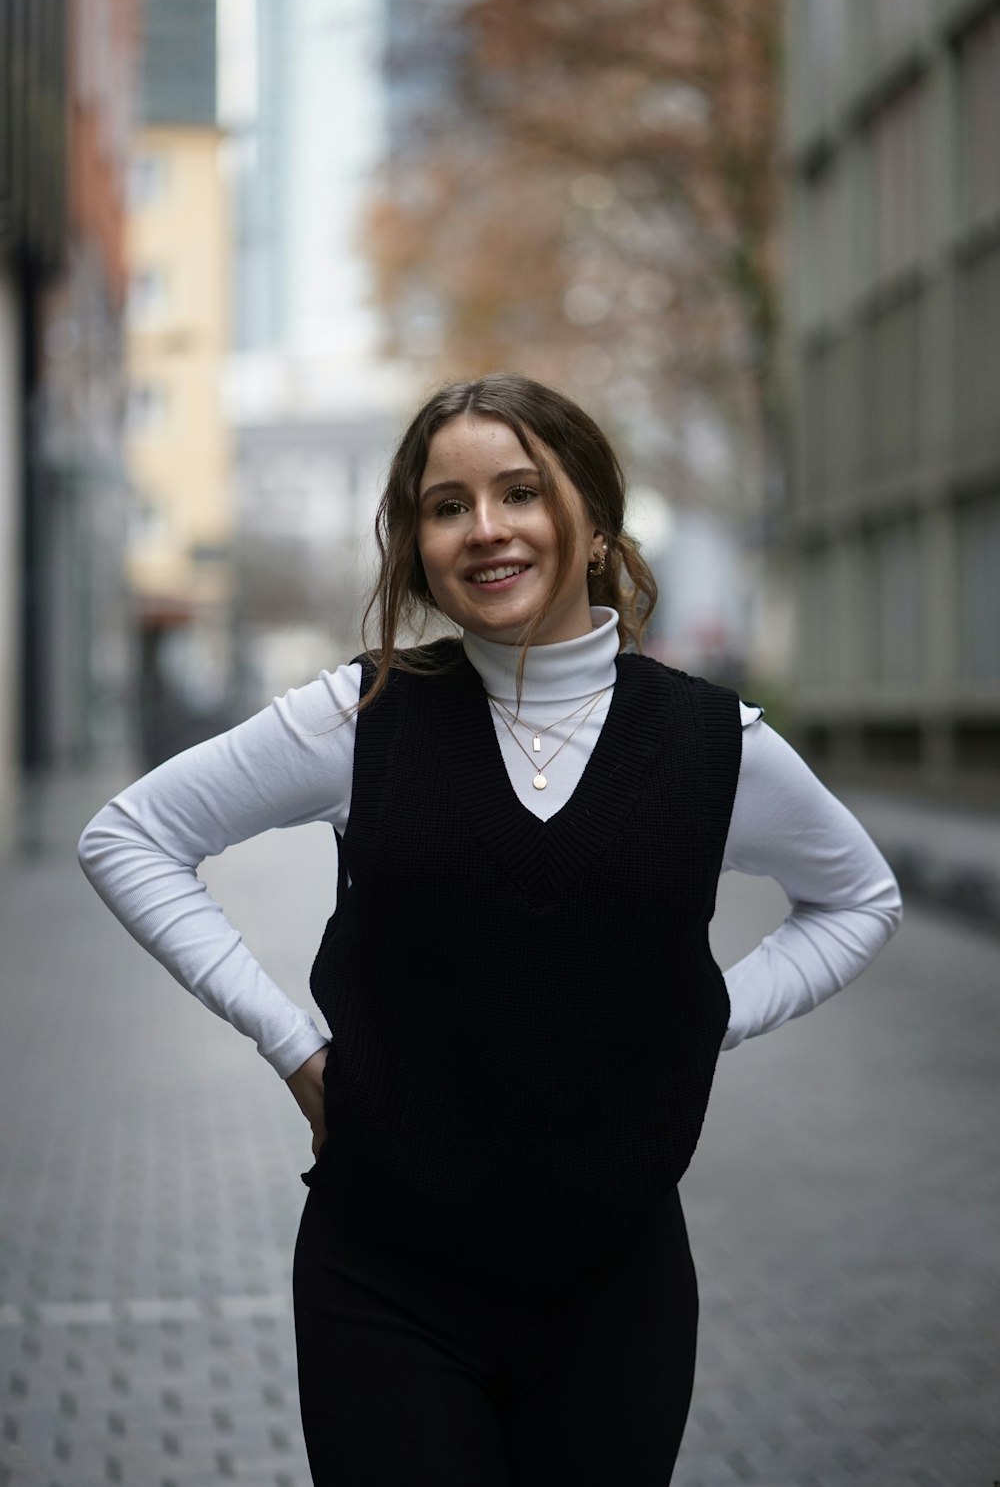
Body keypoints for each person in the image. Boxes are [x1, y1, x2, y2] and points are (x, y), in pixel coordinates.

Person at [78, 372, 903, 1485]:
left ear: (595, 522)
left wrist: (705, 1020)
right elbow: (129, 838)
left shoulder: (713, 746)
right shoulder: (358, 719)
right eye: (445, 505)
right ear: (414, 543)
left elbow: (860, 898)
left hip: (618, 1293)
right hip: (386, 1287)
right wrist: (293, 1048)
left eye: (521, 491)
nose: (485, 530)